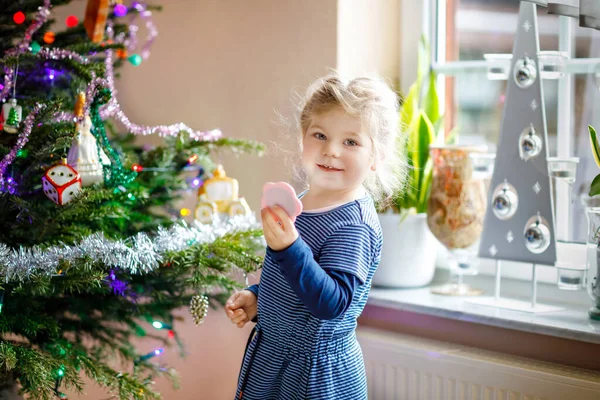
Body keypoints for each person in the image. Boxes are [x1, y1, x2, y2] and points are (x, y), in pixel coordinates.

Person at [225, 73, 408, 399]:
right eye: (320, 135)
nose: (331, 150)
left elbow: (331, 302)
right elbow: (293, 283)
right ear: (302, 140)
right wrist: (258, 300)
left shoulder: (354, 226)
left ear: (377, 157)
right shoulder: (305, 199)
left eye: (351, 142)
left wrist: (289, 248)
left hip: (313, 377)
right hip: (274, 358)